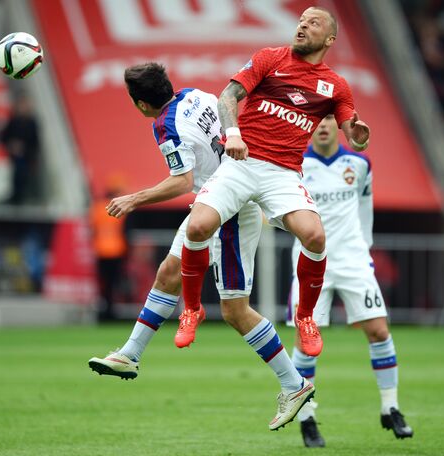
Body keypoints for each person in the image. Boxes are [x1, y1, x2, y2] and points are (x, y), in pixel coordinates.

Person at [89, 63, 312, 429]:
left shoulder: (163, 125)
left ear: (142, 104)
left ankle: (294, 384)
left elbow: (182, 181)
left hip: (231, 210)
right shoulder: (195, 94)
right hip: (214, 200)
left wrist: (133, 199)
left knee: (236, 312)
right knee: (168, 273)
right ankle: (130, 354)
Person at [177, 6, 370, 360]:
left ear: (330, 39)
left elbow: (353, 136)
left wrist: (357, 136)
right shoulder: (270, 58)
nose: (302, 26)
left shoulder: (336, 86)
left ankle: (305, 317)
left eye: (312, 23)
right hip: (242, 161)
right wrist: (233, 134)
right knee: (197, 227)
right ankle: (191, 309)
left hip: (282, 173)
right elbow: (227, 97)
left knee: (315, 235)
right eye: (300, 21)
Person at [287, 115, 413, 447]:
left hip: (353, 260)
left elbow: (365, 207)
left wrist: (365, 248)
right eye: (318, 119)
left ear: (339, 124)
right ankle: (307, 417)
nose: (324, 124)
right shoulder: (293, 164)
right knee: (306, 342)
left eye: (330, 117)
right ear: (309, 125)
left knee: (379, 331)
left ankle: (391, 408)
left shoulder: (359, 163)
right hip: (310, 263)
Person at [89, 179, 128, 321]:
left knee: (103, 285)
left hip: (100, 250)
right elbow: (124, 230)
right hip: (116, 250)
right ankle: (111, 312)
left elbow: (92, 228)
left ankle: (103, 311)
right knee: (113, 284)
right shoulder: (120, 208)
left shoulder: (97, 207)